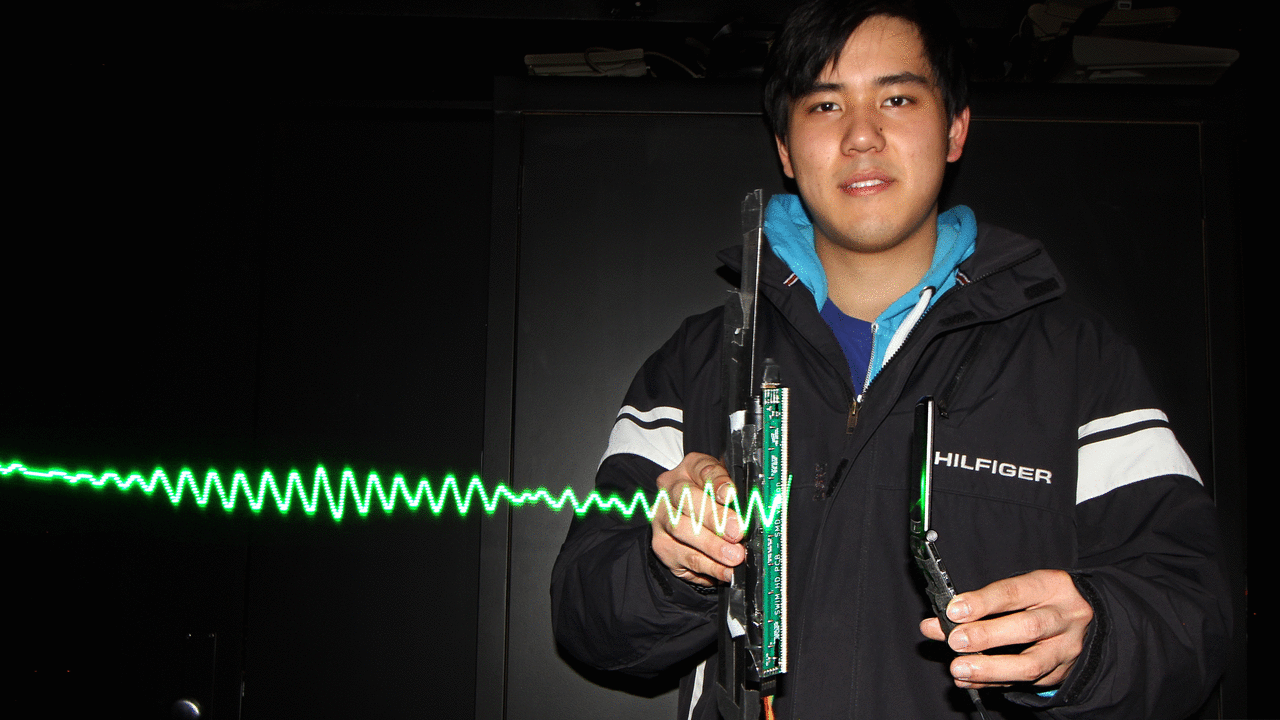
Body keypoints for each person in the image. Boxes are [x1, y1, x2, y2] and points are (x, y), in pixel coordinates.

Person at [550, 0, 1230, 717]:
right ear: (785, 149)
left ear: (955, 128)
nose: (861, 136)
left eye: (897, 99)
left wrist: (1089, 644)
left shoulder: (1077, 363)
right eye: (825, 105)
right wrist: (668, 567)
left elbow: (1193, 612)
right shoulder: (697, 362)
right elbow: (586, 615)